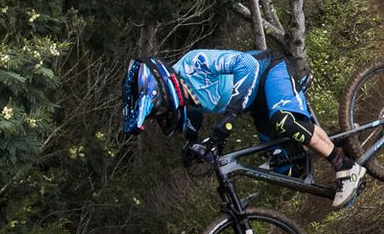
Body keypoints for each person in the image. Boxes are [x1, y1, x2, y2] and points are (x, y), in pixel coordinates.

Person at [120, 49, 365, 209]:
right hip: (256, 104)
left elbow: (247, 65)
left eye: (158, 110)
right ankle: (344, 140)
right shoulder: (188, 103)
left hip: (270, 70)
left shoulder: (194, 64)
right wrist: (193, 148)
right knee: (286, 165)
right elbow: (194, 131)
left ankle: (346, 168)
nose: (161, 115)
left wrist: (231, 117)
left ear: (162, 91)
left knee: (284, 119)